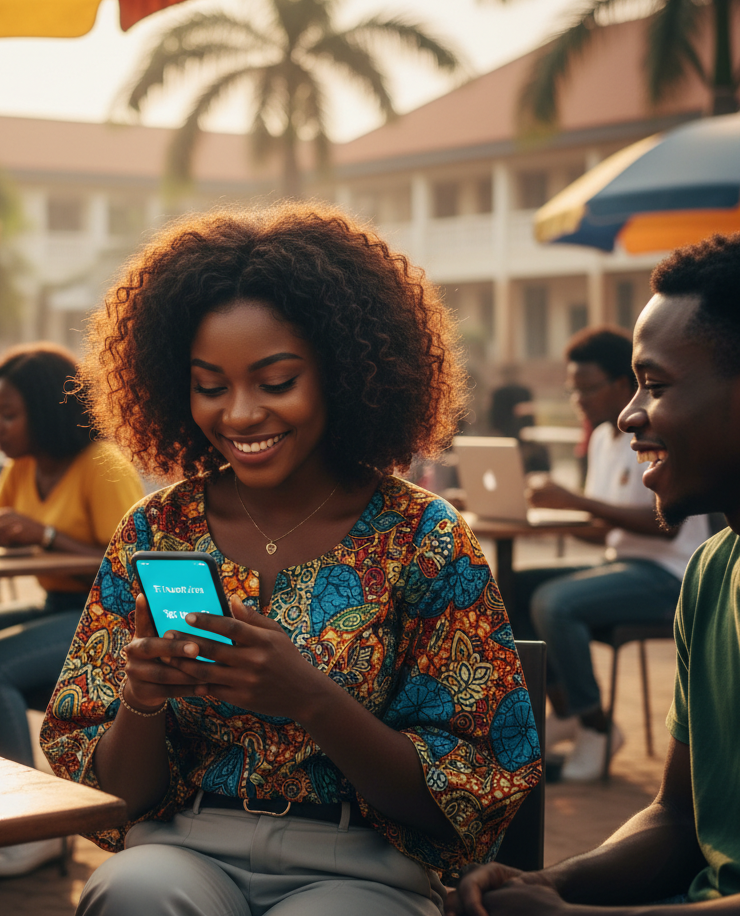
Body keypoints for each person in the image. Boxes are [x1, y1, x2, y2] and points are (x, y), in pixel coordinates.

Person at [41, 205, 542, 916]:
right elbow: (110, 798)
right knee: (130, 893)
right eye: (210, 386)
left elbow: (462, 795)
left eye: (275, 382)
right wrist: (142, 699)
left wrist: (309, 697)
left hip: (360, 866)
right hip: (182, 845)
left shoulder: (422, 537)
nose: (240, 415)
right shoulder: (158, 527)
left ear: (344, 374)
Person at [449, 232, 740, 916]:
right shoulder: (714, 574)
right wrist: (551, 883)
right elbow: (677, 819)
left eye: (654, 385)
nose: (628, 415)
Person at [0, 343, 143, 879]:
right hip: (55, 605)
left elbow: (130, 564)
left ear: (46, 410)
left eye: (9, 414)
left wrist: (43, 534)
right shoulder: (23, 467)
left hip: (108, 617)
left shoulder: (101, 464)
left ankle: (32, 825)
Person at [511, 327, 708, 780]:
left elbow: (665, 526)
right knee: (512, 587)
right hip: (621, 565)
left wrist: (575, 502)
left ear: (623, 385)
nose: (578, 398)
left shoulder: (656, 435)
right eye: (572, 389)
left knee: (554, 601)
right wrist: (533, 511)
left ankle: (598, 729)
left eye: (587, 388)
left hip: (669, 574)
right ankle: (567, 711)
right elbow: (604, 530)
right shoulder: (602, 438)